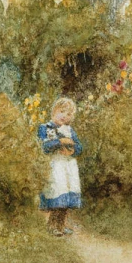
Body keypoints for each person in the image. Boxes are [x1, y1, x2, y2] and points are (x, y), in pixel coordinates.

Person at [37, 97, 83, 236]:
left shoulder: (70, 130)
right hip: (56, 167)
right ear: (54, 111)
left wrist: (73, 150)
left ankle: (61, 225)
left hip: (68, 167)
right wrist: (60, 142)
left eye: (68, 114)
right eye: (62, 111)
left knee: (67, 196)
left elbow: (79, 147)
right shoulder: (46, 128)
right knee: (58, 193)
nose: (64, 116)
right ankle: (52, 226)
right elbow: (45, 147)